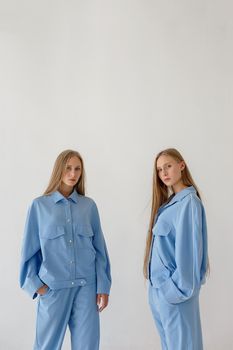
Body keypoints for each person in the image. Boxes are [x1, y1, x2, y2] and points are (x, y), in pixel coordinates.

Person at [20, 149, 111, 350]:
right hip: (53, 288)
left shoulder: (89, 206)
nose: (73, 174)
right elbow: (29, 252)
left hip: (86, 289)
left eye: (77, 169)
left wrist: (103, 286)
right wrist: (38, 286)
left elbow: (100, 250)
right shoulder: (39, 206)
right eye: (68, 168)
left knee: (87, 346)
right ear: (58, 170)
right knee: (46, 346)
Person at [144, 148, 208, 350]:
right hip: (160, 292)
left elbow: (190, 252)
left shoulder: (189, 203)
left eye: (168, 166)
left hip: (176, 293)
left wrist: (175, 290)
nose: (164, 173)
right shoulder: (168, 205)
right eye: (160, 169)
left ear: (181, 165)